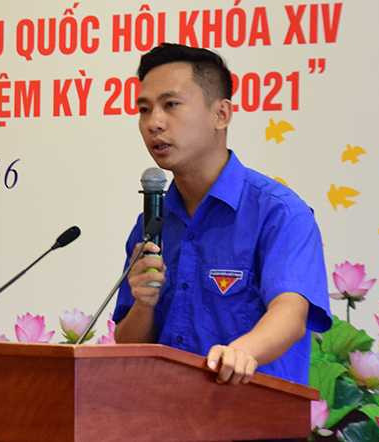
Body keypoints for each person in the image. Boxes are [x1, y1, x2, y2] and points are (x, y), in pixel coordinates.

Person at [113, 43, 332, 387]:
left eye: (171, 105)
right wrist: (143, 304)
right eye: (144, 109)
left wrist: (242, 352)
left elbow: (290, 312)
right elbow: (129, 345)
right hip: (164, 410)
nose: (154, 122)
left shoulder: (279, 213)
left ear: (221, 114)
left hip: (252, 410)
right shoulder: (152, 223)